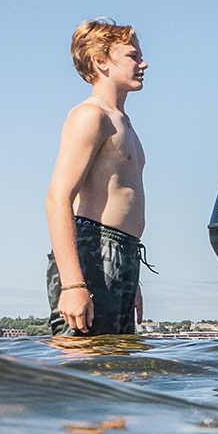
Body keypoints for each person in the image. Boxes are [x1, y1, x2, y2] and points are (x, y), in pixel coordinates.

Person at [46, 20, 151, 336]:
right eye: (133, 56)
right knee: (82, 363)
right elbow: (57, 198)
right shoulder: (91, 116)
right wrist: (73, 283)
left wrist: (131, 277)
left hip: (124, 252)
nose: (143, 64)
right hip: (92, 251)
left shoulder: (124, 122)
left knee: (118, 366)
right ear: (101, 62)